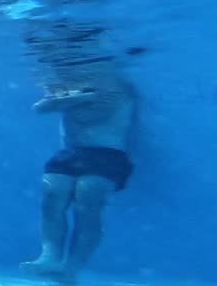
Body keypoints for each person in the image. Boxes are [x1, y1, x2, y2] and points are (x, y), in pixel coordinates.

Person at [21, 69, 137, 281]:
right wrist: (76, 95)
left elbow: (110, 101)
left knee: (88, 197)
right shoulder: (70, 85)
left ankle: (72, 268)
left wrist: (80, 96)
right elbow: (40, 107)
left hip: (108, 153)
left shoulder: (117, 84)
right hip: (70, 154)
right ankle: (49, 256)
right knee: (52, 195)